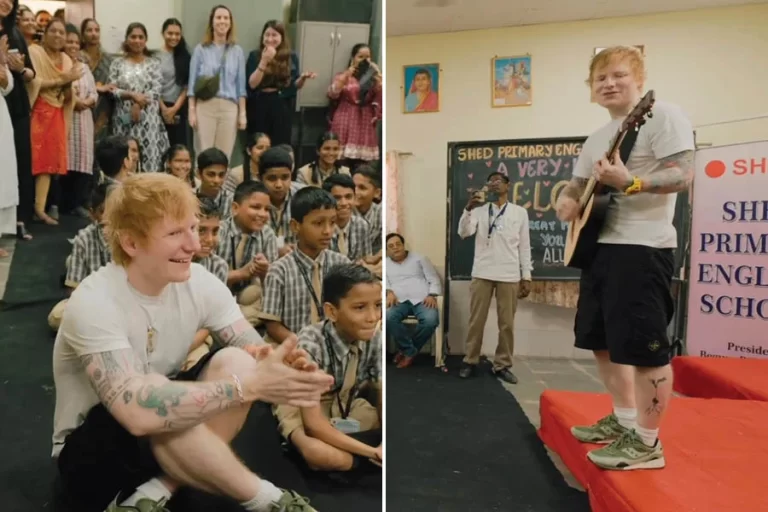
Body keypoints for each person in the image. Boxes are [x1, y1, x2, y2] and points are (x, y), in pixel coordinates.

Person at [52, 172, 331, 512]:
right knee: (153, 390)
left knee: (238, 361)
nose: (195, 245)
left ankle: (155, 491)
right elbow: (137, 414)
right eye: (175, 233)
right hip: (95, 456)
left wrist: (284, 366)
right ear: (131, 243)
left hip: (158, 444)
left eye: (193, 228)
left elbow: (251, 348)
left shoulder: (199, 282)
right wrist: (247, 387)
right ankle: (272, 501)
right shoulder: (94, 301)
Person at [554, 46, 694, 471]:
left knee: (645, 350)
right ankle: (625, 420)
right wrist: (565, 200)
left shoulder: (662, 116)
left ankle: (648, 443)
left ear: (639, 79)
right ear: (591, 89)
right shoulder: (598, 137)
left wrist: (631, 182)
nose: (609, 84)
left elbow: (684, 173)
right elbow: (575, 186)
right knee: (603, 343)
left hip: (642, 248)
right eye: (600, 79)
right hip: (599, 250)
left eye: (618, 75)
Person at [274, 263, 382, 472]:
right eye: (360, 307)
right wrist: (374, 452)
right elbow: (313, 423)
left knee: (377, 422)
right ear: (331, 311)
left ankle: (352, 459)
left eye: (377, 305)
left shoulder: (374, 338)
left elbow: (382, 393)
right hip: (302, 404)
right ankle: (358, 462)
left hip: (344, 401)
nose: (373, 317)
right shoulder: (311, 342)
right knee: (318, 453)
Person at [457, 171, 532, 384]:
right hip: (482, 273)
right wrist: (468, 209)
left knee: (506, 324)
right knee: (476, 321)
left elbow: (525, 247)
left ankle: (502, 365)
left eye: (499, 180)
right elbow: (463, 233)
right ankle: (470, 360)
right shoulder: (479, 211)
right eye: (490, 181)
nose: (494, 183)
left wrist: (526, 276)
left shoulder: (519, 213)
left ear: (508, 186)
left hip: (509, 275)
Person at [260, 187, 350, 343]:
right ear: (295, 226)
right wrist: (303, 347)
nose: (328, 231)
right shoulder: (280, 270)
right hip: (293, 347)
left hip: (333, 346)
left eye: (332, 222)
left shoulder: (342, 265)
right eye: (318, 223)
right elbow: (272, 324)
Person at [48, 183, 113, 331]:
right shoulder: (84, 238)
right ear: (92, 214)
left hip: (124, 299)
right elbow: (73, 290)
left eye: (115, 211)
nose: (109, 218)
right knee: (56, 317)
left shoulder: (131, 235)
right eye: (103, 211)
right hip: (93, 299)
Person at [187, 5, 246, 162]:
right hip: (205, 106)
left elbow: (241, 87)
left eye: (226, 18)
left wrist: (242, 113)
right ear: (212, 22)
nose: (222, 21)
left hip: (229, 108)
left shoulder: (237, 51)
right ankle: (200, 186)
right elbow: (192, 83)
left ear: (231, 23)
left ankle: (222, 187)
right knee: (203, 153)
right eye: (218, 17)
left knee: (224, 155)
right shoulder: (200, 49)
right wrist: (191, 110)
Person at [216, 180, 279, 326]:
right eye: (256, 207)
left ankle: (230, 325)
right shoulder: (219, 231)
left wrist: (264, 270)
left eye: (267, 209)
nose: (263, 214)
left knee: (265, 299)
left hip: (248, 299)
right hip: (218, 296)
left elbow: (272, 285)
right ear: (235, 208)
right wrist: (241, 274)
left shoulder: (268, 234)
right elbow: (206, 279)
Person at [108, 22, 170, 172]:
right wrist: (131, 95)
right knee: (124, 160)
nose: (137, 40)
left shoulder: (153, 64)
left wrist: (138, 104)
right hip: (123, 121)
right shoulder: (117, 63)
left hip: (149, 123)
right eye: (133, 37)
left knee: (148, 165)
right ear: (127, 39)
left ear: (146, 40)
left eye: (141, 37)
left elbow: (156, 90)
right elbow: (111, 89)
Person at [245, 20, 315, 146]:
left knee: (280, 144)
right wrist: (264, 60)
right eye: (267, 35)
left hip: (282, 105)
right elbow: (252, 84)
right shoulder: (255, 55)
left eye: (274, 35)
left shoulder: (291, 56)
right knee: (258, 144)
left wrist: (303, 78)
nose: (270, 38)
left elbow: (294, 85)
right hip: (258, 104)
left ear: (282, 37)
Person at [3, 0, 36, 243]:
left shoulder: (15, 33)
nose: (5, 3)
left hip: (17, 104)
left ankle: (20, 219)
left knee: (22, 161)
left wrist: (21, 68)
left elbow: (31, 73)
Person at [385, 233, 442, 369]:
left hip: (422, 299)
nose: (395, 248)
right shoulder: (385, 263)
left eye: (398, 244)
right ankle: (410, 351)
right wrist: (388, 292)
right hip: (399, 301)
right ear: (387, 250)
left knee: (431, 320)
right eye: (391, 246)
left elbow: (433, 279)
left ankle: (406, 351)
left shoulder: (420, 258)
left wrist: (432, 294)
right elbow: (384, 282)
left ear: (403, 245)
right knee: (388, 318)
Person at [328, 44, 381, 167]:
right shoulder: (343, 75)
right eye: (360, 56)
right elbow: (333, 94)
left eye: (368, 57)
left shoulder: (374, 77)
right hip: (345, 117)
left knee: (362, 164)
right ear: (353, 58)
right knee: (340, 161)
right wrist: (346, 75)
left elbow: (380, 98)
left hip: (364, 120)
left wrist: (378, 78)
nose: (364, 60)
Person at [322, 173, 373, 263]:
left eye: (348, 197)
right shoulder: (322, 229)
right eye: (337, 198)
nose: (344, 203)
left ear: (354, 198)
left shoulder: (362, 225)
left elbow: (367, 261)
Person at [195, 147, 234, 219]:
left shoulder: (232, 200)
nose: (217, 180)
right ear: (198, 174)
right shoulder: (188, 198)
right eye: (211, 174)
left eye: (221, 175)